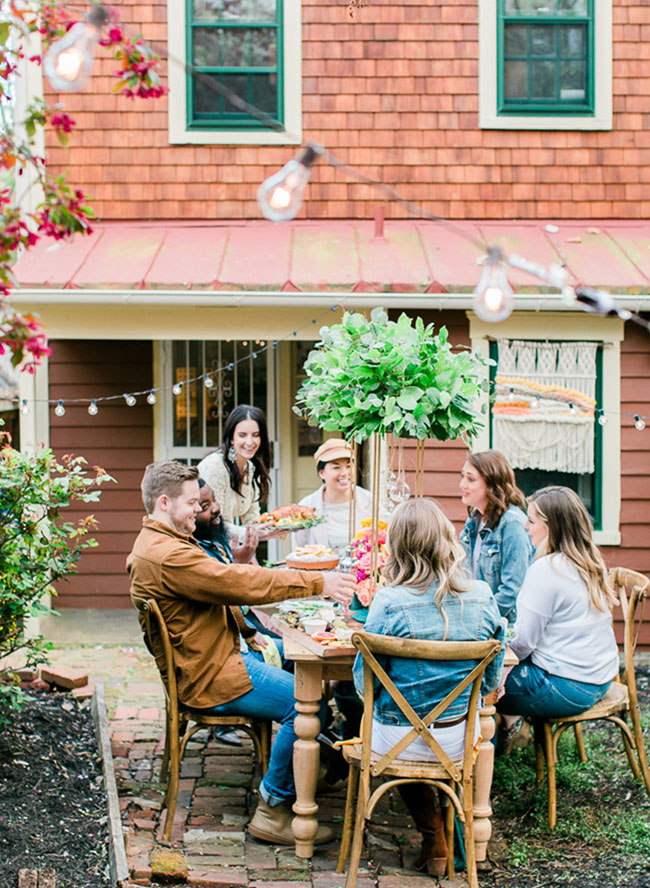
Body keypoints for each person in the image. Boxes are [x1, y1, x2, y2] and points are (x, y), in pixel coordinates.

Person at [127, 460, 355, 845]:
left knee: (302, 654)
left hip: (221, 653)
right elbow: (237, 581)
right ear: (163, 503)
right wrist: (319, 581)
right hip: (213, 674)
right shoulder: (169, 555)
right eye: (191, 504)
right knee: (306, 699)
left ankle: (310, 766)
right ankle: (273, 808)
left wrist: (249, 632)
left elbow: (216, 591)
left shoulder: (162, 543)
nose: (199, 511)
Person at [353, 498, 505, 876]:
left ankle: (433, 833)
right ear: (446, 539)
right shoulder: (483, 597)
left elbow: (362, 683)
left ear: (398, 546)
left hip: (396, 740)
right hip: (458, 737)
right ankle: (446, 838)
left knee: (397, 733)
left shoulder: (387, 602)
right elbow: (488, 682)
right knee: (427, 734)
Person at [499, 486, 619, 720]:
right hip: (600, 679)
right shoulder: (590, 563)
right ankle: (508, 729)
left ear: (552, 527)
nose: (525, 527)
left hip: (564, 687)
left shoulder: (547, 570)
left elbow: (523, 644)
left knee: (475, 682)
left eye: (531, 522)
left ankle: (488, 750)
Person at [194, 478, 284, 747]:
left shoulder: (213, 541)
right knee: (304, 700)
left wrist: (240, 561)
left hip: (241, 643)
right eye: (205, 505)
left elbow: (234, 598)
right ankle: (278, 786)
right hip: (228, 661)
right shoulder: (197, 556)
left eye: (214, 500)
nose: (216, 509)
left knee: (304, 664)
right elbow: (230, 596)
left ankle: (321, 755)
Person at [459, 449, 533, 623]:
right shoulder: (472, 523)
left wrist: (478, 621)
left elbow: (512, 590)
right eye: (462, 477)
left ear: (492, 484)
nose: (462, 484)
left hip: (505, 626)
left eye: (470, 479)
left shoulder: (513, 525)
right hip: (477, 619)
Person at [197, 404, 273, 542]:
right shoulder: (214, 468)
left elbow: (252, 518)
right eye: (242, 435)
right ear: (231, 438)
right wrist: (249, 535)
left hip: (228, 547)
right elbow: (213, 523)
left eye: (255, 435)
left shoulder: (249, 468)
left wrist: (274, 527)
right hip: (205, 545)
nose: (250, 442)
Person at [292, 438, 372, 553]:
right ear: (322, 473)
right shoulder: (306, 507)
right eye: (336, 467)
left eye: (349, 466)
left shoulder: (369, 500)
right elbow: (298, 552)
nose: (345, 473)